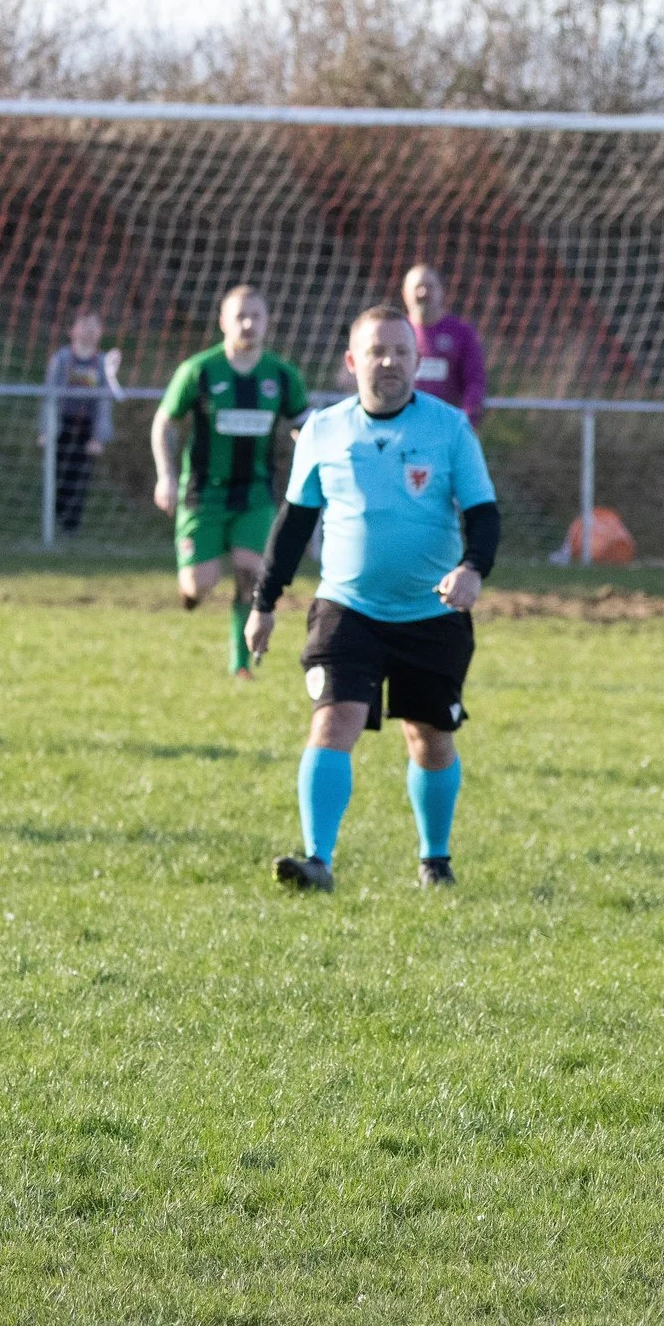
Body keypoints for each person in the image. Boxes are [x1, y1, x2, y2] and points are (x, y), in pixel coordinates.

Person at [245, 306, 497, 894]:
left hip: (432, 613)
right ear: (352, 362)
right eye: (377, 352)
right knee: (334, 721)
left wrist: (472, 569)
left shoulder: (450, 428)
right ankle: (317, 860)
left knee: (429, 737)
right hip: (346, 608)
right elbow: (294, 521)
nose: (389, 362)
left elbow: (484, 514)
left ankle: (435, 859)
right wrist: (264, 602)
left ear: (417, 361)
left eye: (401, 352)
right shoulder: (323, 431)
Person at [152, 286, 310, 678]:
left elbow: (304, 425)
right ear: (223, 321)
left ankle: (240, 665)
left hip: (255, 494)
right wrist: (166, 476)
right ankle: (191, 590)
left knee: (250, 575)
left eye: (256, 316)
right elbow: (165, 422)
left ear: (267, 322)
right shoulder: (200, 371)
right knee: (199, 586)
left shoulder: (282, 376)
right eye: (239, 316)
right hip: (202, 494)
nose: (248, 323)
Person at [41, 307, 116, 534]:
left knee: (79, 476)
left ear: (100, 332)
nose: (88, 331)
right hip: (61, 424)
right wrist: (46, 430)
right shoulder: (62, 359)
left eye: (93, 327)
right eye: (83, 326)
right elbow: (49, 396)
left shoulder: (102, 363)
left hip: (87, 427)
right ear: (71, 330)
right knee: (58, 473)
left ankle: (71, 526)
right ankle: (52, 521)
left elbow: (104, 403)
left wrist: (98, 436)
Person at [403, 264, 488, 426]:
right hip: (403, 427)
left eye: (429, 286)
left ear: (441, 291)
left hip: (447, 426)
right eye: (417, 287)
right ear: (404, 293)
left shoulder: (462, 332)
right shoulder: (394, 332)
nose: (423, 292)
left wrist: (466, 421)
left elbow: (475, 381)